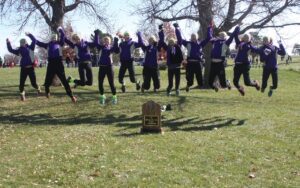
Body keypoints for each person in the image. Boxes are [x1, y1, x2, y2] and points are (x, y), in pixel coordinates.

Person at [35, 27, 77, 102]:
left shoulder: (60, 43)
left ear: (57, 38)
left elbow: (63, 36)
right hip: (51, 64)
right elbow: (37, 42)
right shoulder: (47, 45)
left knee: (64, 81)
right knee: (47, 81)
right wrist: (30, 36)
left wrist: (60, 29)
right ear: (51, 38)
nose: (54, 38)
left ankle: (71, 96)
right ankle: (47, 92)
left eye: (55, 37)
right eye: (52, 37)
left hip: (59, 64)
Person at [175, 23, 212, 92]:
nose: (193, 38)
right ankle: (188, 86)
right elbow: (179, 38)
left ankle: (201, 87)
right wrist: (177, 29)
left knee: (200, 80)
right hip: (190, 63)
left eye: (194, 37)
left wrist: (209, 28)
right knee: (190, 79)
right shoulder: (188, 43)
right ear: (191, 38)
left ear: (196, 37)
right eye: (192, 37)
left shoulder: (200, 44)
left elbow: (209, 38)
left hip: (198, 63)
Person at [6, 32, 41, 101]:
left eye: (23, 43)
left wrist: (29, 35)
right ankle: (22, 94)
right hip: (23, 69)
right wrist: (8, 43)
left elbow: (34, 40)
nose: (22, 45)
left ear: (26, 43)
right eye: (21, 43)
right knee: (21, 84)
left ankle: (38, 88)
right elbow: (11, 50)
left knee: (33, 83)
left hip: (31, 68)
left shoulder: (31, 47)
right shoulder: (19, 50)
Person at [209, 26, 240, 92]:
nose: (222, 36)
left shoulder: (226, 42)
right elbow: (209, 36)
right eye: (221, 35)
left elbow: (232, 35)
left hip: (220, 64)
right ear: (219, 36)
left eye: (223, 35)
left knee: (223, 84)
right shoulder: (214, 41)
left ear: (225, 37)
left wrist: (237, 27)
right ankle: (215, 85)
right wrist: (209, 28)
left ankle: (227, 83)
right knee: (210, 82)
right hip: (213, 63)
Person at [94, 30, 119, 105]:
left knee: (111, 83)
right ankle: (102, 96)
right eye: (105, 40)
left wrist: (116, 41)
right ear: (103, 41)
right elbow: (96, 43)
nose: (106, 41)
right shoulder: (100, 47)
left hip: (109, 67)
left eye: (107, 40)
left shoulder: (111, 48)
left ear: (110, 41)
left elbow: (116, 49)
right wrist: (96, 35)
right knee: (100, 83)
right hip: (102, 67)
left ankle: (114, 97)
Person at [158, 24, 183, 96]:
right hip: (170, 67)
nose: (171, 43)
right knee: (170, 82)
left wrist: (176, 28)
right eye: (170, 42)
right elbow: (162, 41)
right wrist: (161, 30)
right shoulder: (167, 48)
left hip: (177, 67)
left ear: (175, 42)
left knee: (177, 80)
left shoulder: (178, 47)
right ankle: (168, 90)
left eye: (172, 42)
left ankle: (177, 90)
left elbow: (179, 38)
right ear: (168, 43)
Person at [233, 31, 261, 96]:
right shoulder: (239, 43)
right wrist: (238, 27)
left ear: (249, 39)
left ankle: (255, 84)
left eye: (247, 37)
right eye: (245, 37)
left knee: (247, 83)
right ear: (243, 38)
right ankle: (240, 88)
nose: (246, 38)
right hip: (237, 65)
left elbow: (258, 50)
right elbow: (235, 35)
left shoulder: (249, 46)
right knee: (235, 82)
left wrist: (265, 49)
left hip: (245, 65)